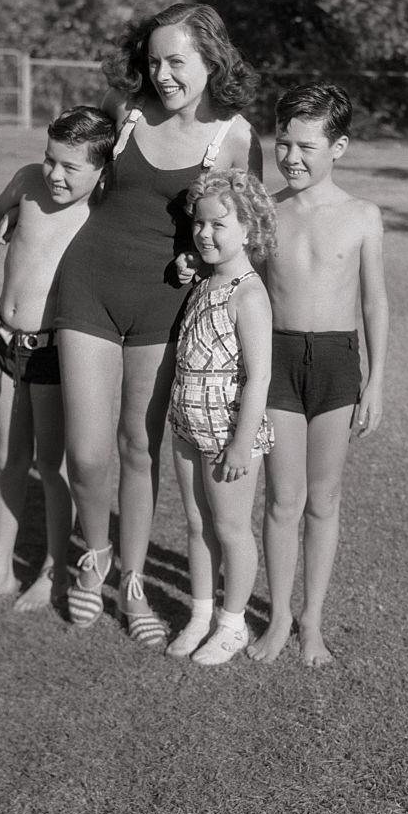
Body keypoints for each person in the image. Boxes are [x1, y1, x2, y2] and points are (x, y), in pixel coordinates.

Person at [54, 3, 262, 646]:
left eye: (177, 61)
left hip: (164, 305)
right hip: (89, 284)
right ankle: (93, 558)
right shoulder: (126, 111)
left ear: (211, 59)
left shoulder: (234, 134)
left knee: (137, 446)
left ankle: (134, 578)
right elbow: (65, 166)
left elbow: (241, 227)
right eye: (153, 61)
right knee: (87, 454)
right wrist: (14, 197)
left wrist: (197, 258)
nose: (163, 74)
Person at [247, 83, 390, 666]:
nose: (292, 158)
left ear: (340, 147)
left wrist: (375, 381)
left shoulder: (362, 216)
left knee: (323, 499)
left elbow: (375, 302)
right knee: (283, 498)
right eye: (283, 144)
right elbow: (245, 285)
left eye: (307, 146)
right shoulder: (266, 211)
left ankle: (313, 622)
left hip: (336, 363)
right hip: (276, 362)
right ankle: (279, 617)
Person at [0, 106, 115, 614]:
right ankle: (0, 570)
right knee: (8, 458)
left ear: (101, 170)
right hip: (5, 347)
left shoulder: (102, 208)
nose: (55, 174)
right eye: (51, 159)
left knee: (52, 467)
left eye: (71, 167)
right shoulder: (27, 182)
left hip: (52, 355)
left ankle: (53, 571)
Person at [166, 170, 276, 664]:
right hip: (186, 424)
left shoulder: (249, 296)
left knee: (232, 529)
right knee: (196, 523)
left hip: (229, 432)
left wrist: (240, 442)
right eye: (200, 224)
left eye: (219, 225)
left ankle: (232, 626)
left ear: (249, 229)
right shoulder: (206, 282)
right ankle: (200, 614)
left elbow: (259, 377)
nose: (205, 233)